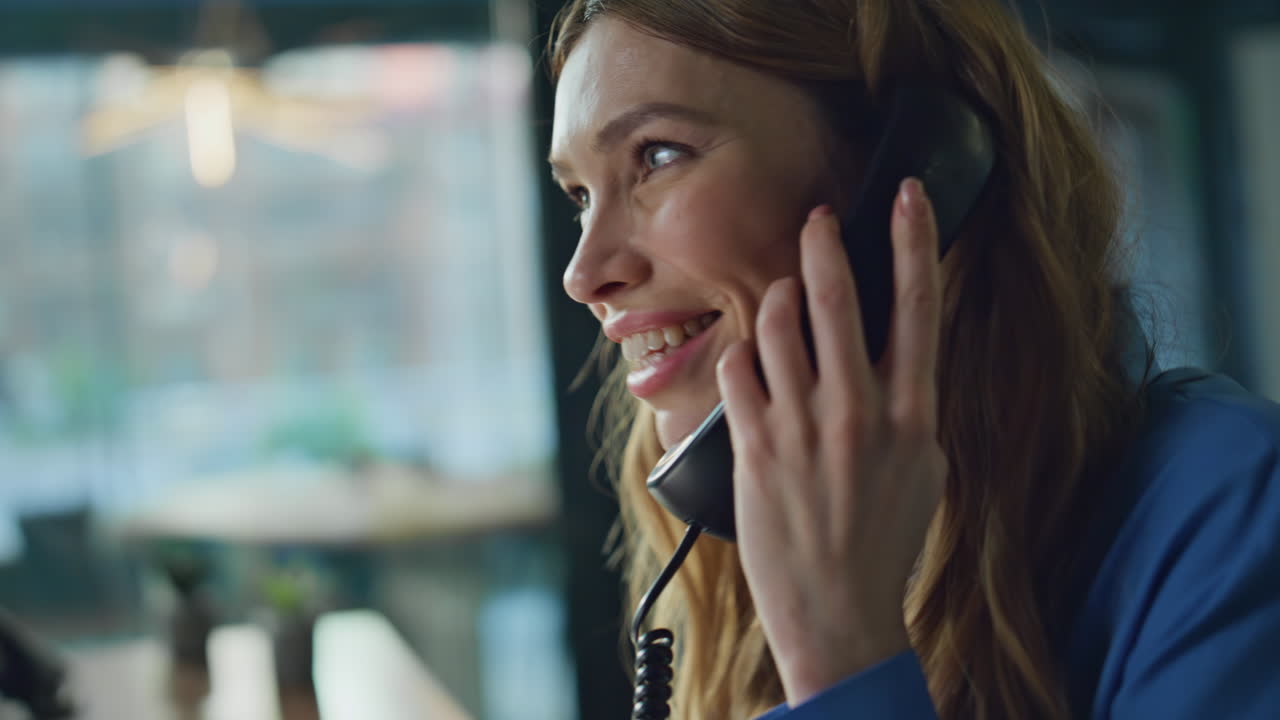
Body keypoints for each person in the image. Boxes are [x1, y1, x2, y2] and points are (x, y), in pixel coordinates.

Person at [544, 1, 1280, 718]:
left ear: (914, 170)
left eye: (657, 156)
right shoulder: (736, 568)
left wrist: (843, 656)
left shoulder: (1231, 516)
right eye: (579, 192)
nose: (585, 274)